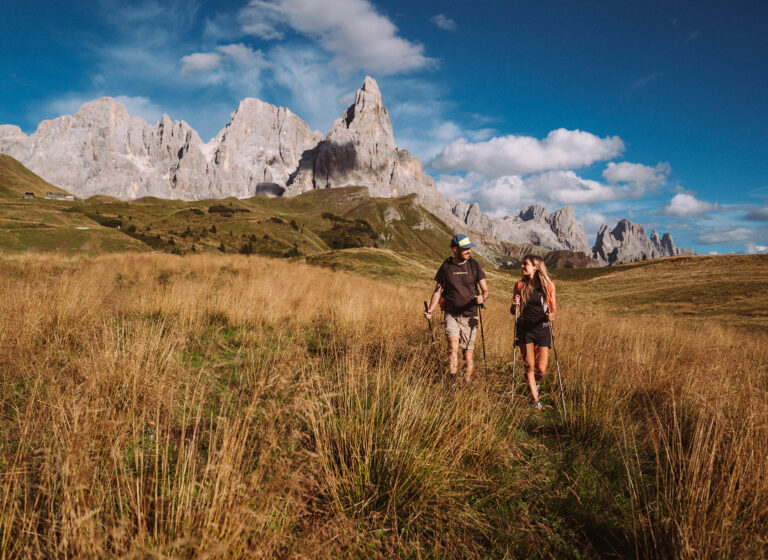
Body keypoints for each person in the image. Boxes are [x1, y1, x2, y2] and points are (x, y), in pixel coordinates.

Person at [424, 233, 489, 381]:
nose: (469, 251)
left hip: (471, 315)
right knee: (453, 345)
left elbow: (485, 291)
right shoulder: (446, 267)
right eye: (465, 248)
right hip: (451, 314)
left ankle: (465, 384)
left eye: (469, 248)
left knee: (467, 354)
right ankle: (452, 381)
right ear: (455, 249)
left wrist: (482, 297)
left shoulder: (474, 266)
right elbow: (437, 291)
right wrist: (430, 310)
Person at [510, 254, 557, 411]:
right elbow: (512, 311)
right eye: (523, 264)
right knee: (529, 366)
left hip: (542, 328)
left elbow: (554, 310)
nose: (522, 266)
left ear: (535, 267)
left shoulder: (548, 286)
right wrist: (514, 305)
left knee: (541, 370)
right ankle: (535, 400)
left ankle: (534, 385)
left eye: (526, 264)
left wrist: (552, 315)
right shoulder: (519, 285)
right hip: (524, 328)